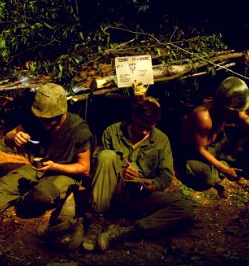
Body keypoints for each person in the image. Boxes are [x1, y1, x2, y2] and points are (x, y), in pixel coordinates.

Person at [0, 83, 93, 254]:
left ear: (61, 114)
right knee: (1, 188)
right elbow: (7, 139)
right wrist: (15, 137)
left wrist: (55, 166)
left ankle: (24, 202)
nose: (43, 123)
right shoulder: (35, 118)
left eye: (48, 119)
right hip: (38, 167)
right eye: (40, 118)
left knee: (41, 195)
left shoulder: (78, 129)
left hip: (64, 172)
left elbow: (84, 167)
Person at [83, 96, 195, 252]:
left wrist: (154, 185)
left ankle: (127, 232)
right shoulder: (113, 131)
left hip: (141, 196)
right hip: (112, 192)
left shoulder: (161, 140)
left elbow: (166, 175)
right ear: (133, 117)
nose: (144, 132)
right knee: (106, 156)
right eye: (141, 125)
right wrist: (121, 171)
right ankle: (97, 220)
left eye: (149, 128)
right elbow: (96, 163)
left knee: (185, 208)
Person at [177, 76, 249, 196]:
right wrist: (224, 169)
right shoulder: (203, 117)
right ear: (224, 105)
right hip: (194, 154)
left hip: (215, 147)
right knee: (207, 176)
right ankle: (224, 165)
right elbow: (199, 150)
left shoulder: (231, 111)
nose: (238, 113)